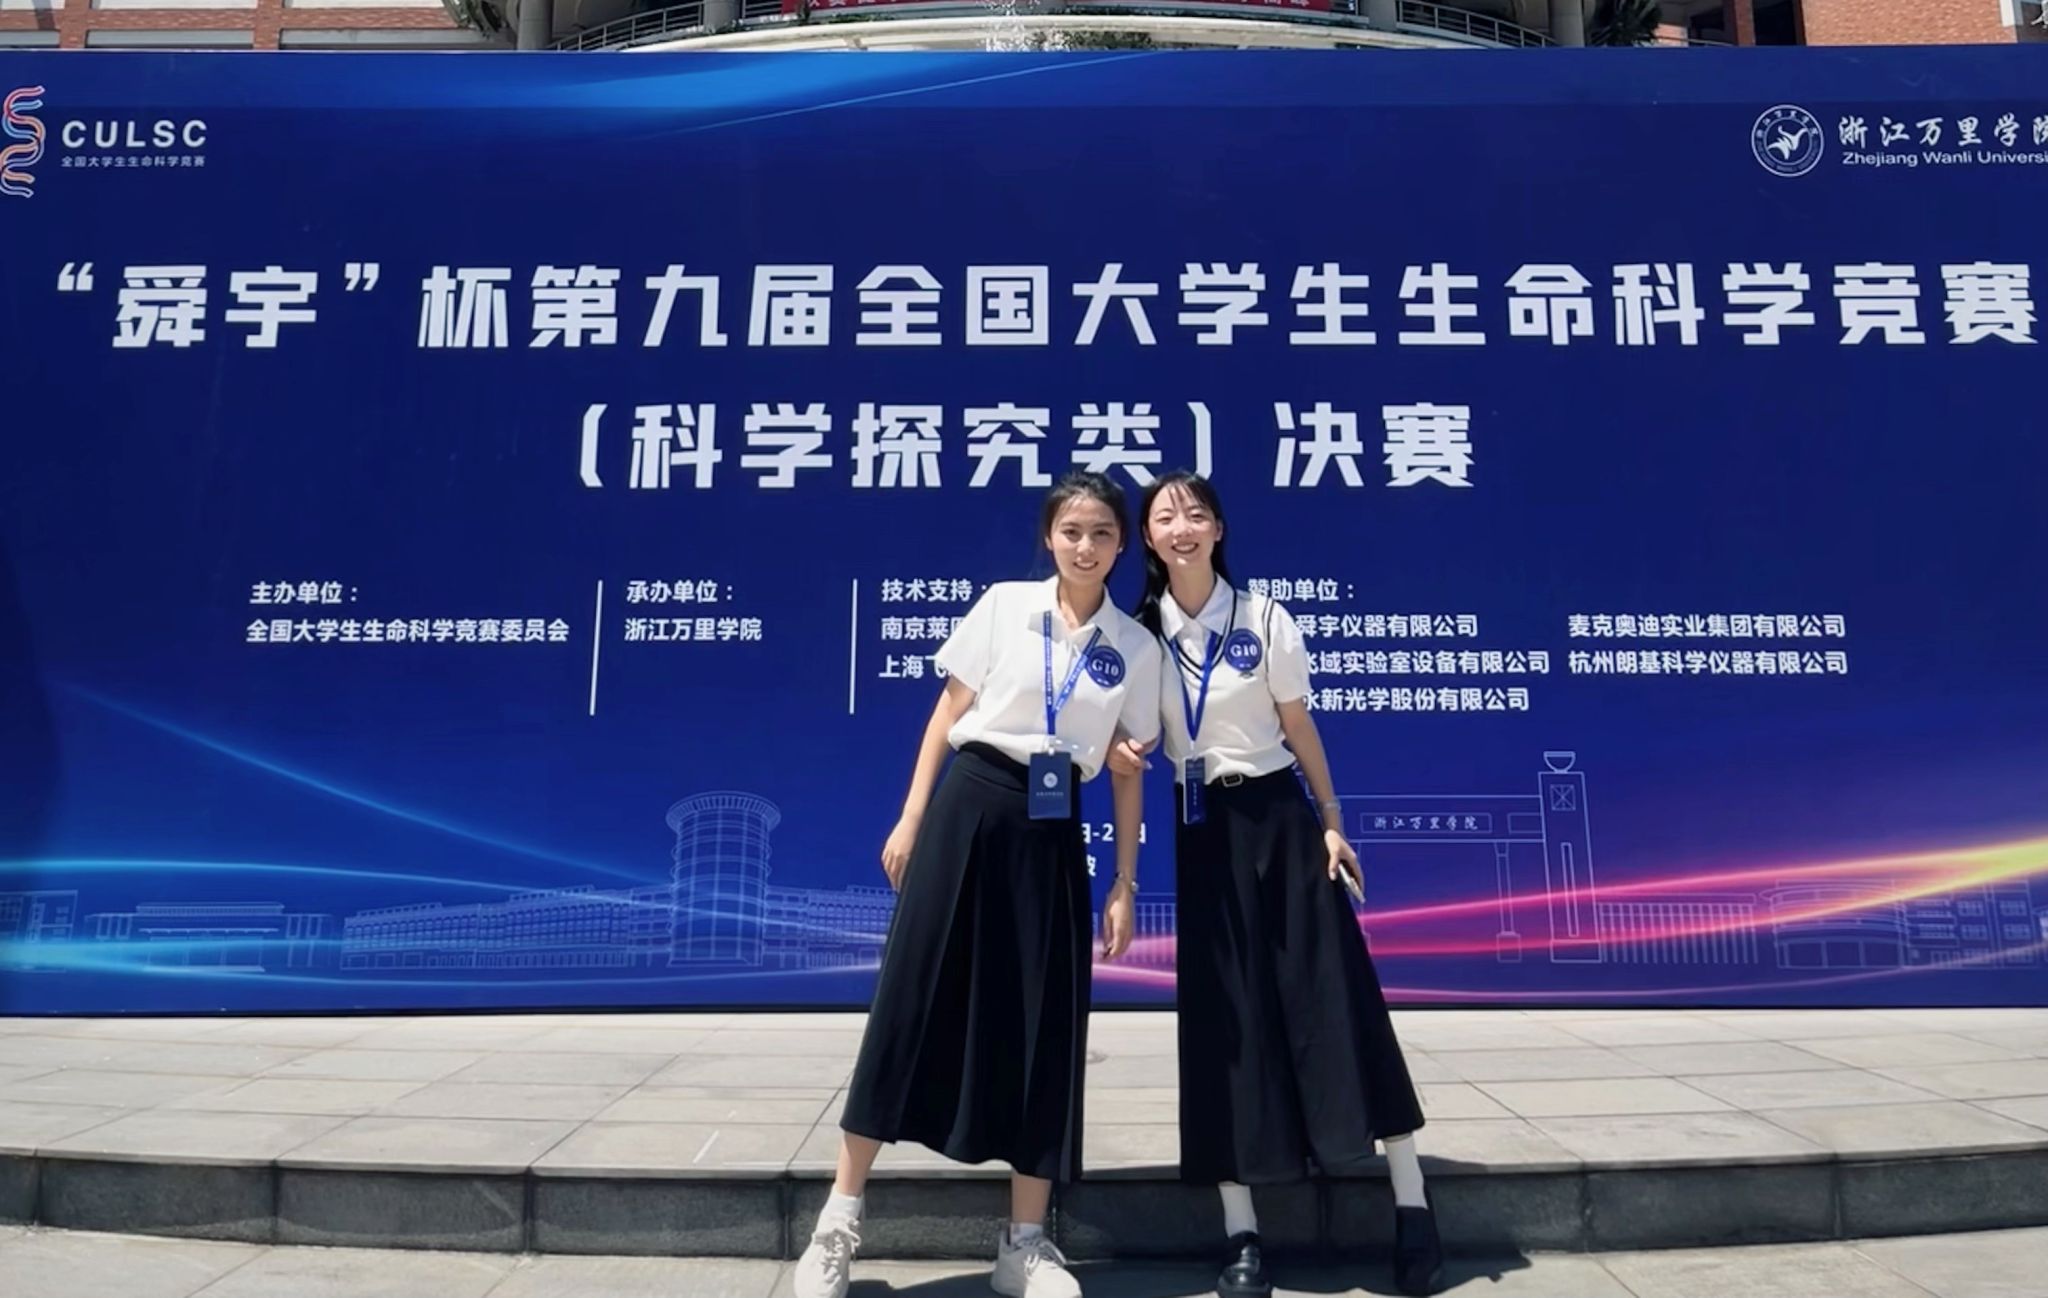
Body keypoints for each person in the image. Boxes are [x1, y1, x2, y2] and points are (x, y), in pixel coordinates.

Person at [794, 470, 1163, 1298]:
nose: (1085, 546)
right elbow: (948, 711)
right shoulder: (1004, 606)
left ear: (1121, 546)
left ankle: (1023, 1245)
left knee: (1044, 1023)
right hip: (969, 808)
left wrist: (1126, 882)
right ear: (1049, 537)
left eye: (1102, 533)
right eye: (1072, 531)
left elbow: (1128, 768)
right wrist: (912, 817)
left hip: (1052, 831)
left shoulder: (1135, 649)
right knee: (909, 1002)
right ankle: (837, 1225)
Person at [1110, 469, 1443, 1298]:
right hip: (1202, 831)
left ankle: (1412, 1205)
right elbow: (1129, 747)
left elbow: (1299, 726)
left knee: (1336, 999)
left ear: (1218, 530)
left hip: (1282, 821)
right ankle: (1243, 1232)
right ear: (1148, 540)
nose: (1182, 527)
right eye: (1165, 517)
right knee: (1226, 1023)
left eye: (1195, 514)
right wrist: (1118, 766)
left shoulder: (1264, 617)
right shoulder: (1140, 635)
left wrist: (1331, 820)